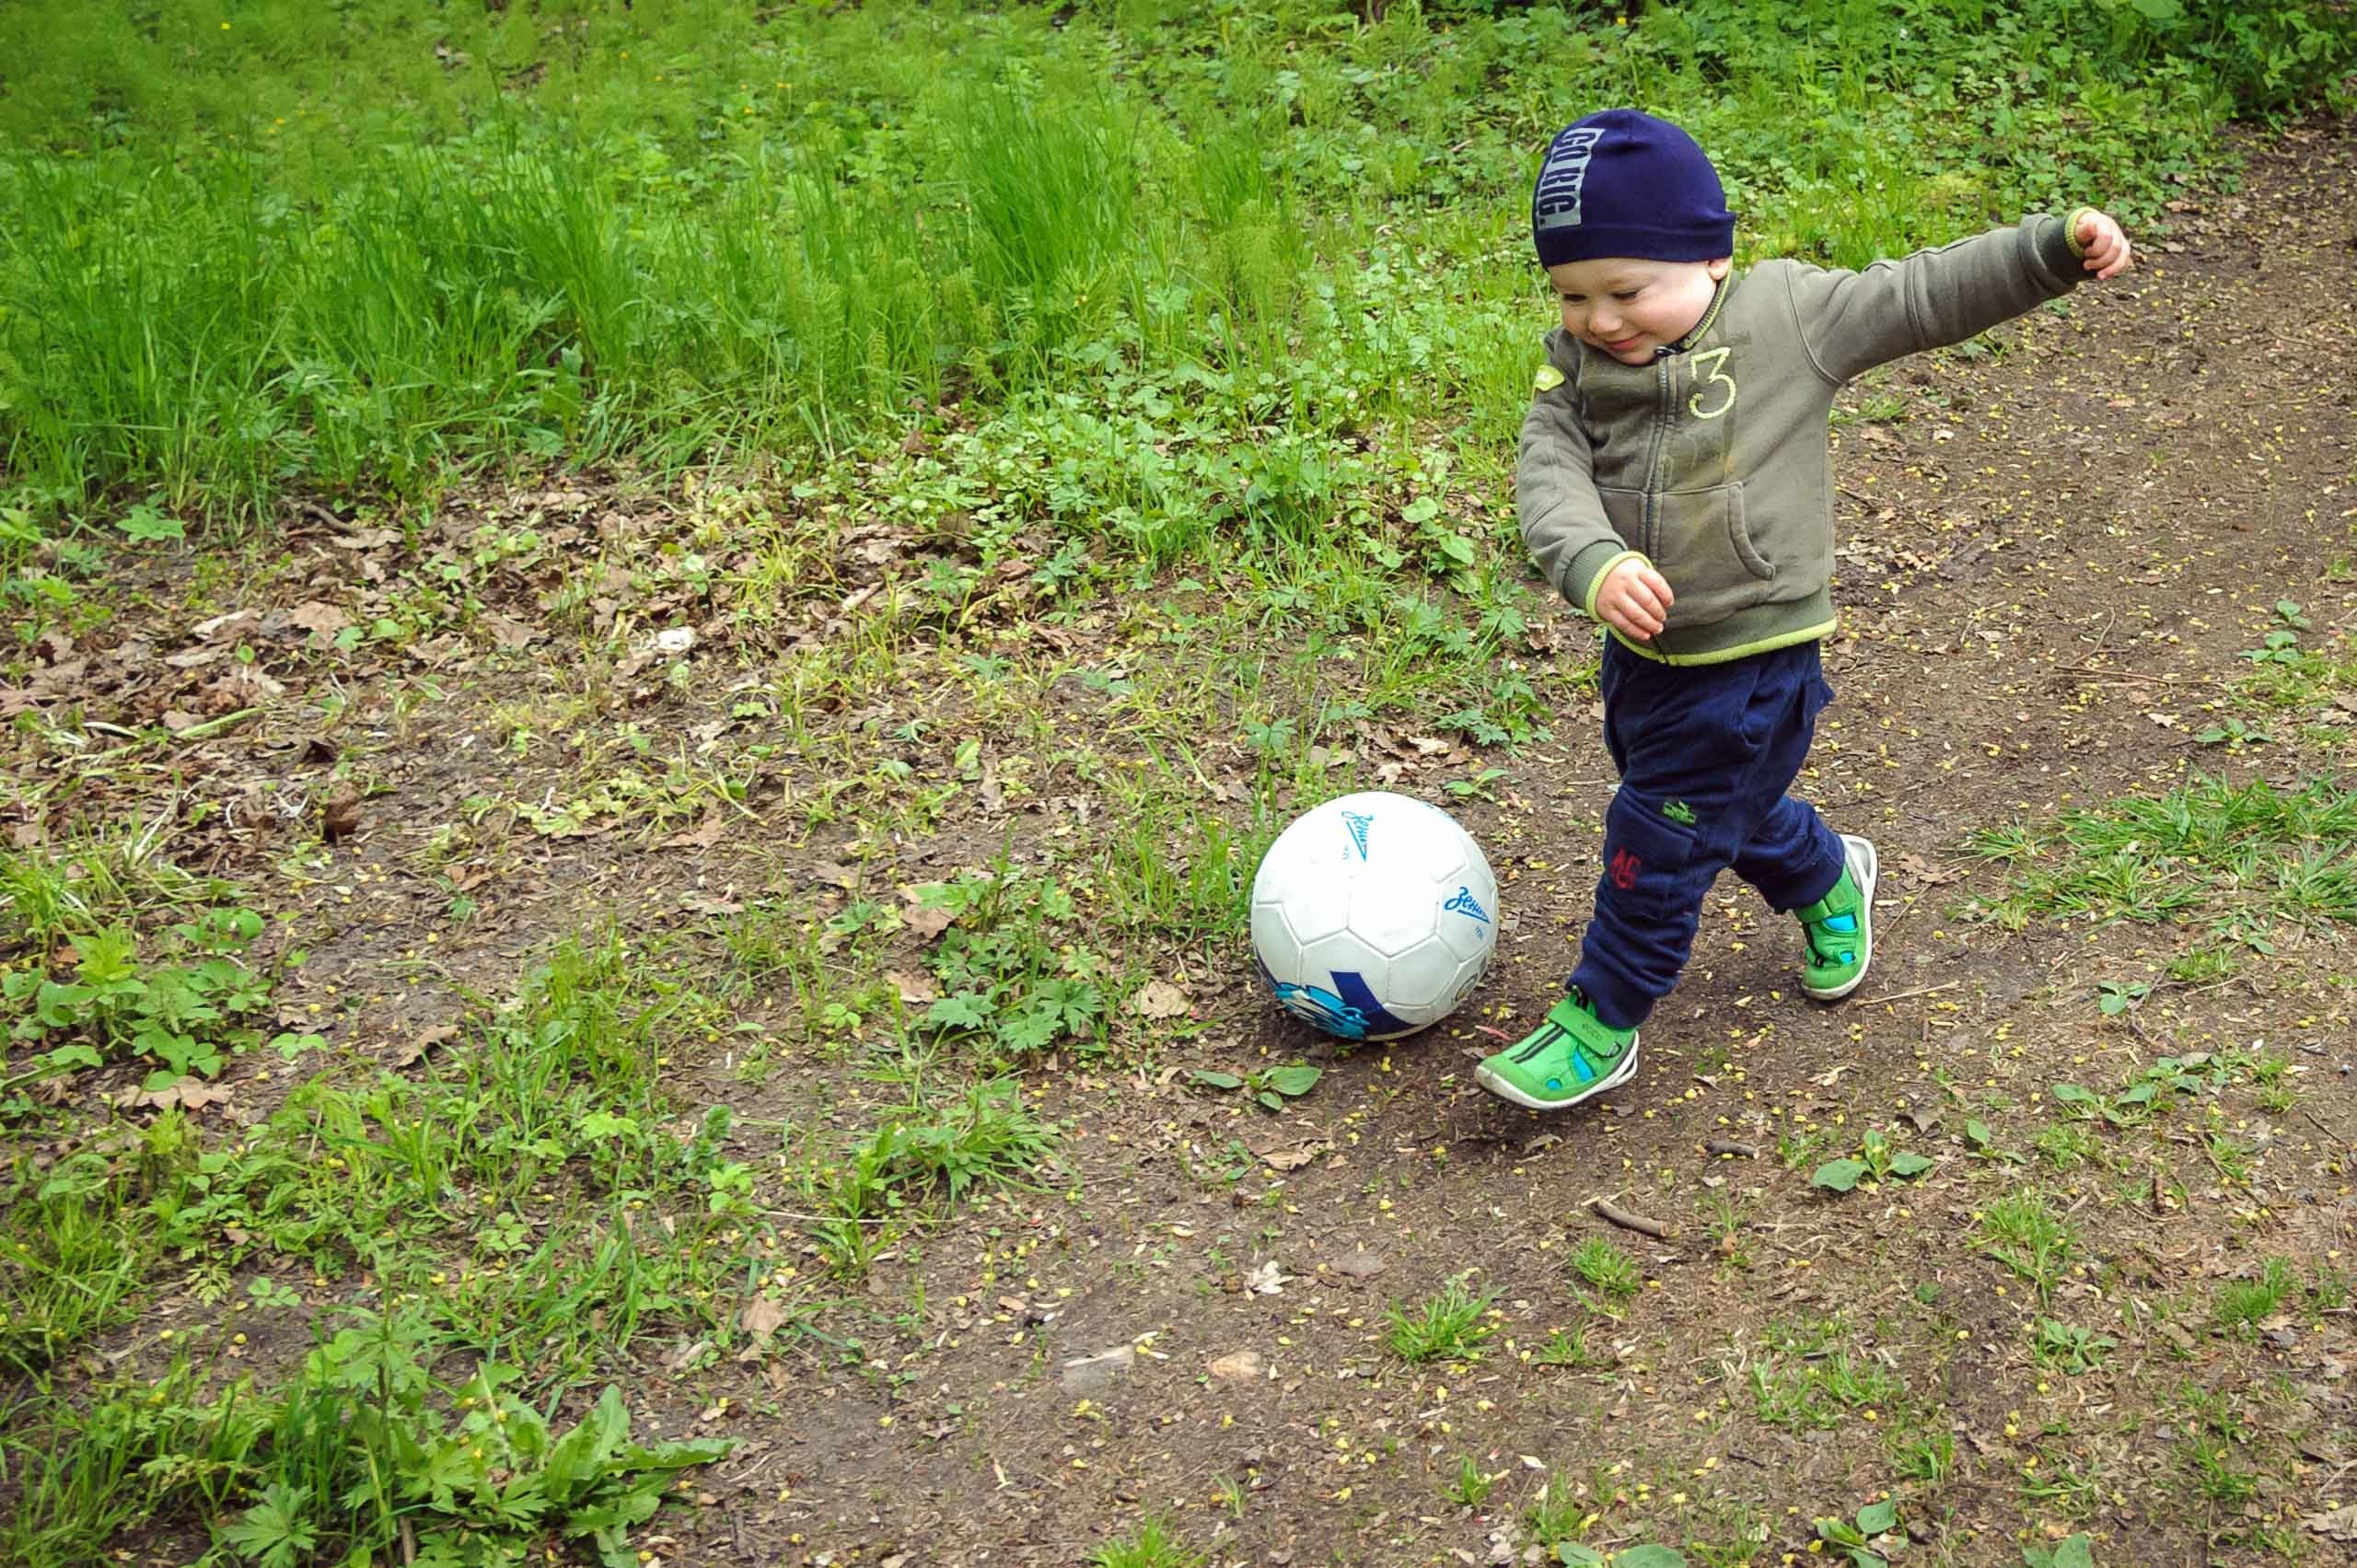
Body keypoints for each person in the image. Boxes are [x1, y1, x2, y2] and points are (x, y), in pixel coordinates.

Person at [1474, 109, 2132, 1111]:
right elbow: (1547, 472)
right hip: (1648, 656)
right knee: (1708, 808)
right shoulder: (1576, 367)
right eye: (1571, 294)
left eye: (1626, 291)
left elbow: (1917, 295)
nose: (1600, 320)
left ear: (1711, 254)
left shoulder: (1786, 315)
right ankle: (1827, 876)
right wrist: (1593, 560)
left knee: (1653, 837)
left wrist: (2048, 250)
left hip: (1756, 658)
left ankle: (1601, 1018)